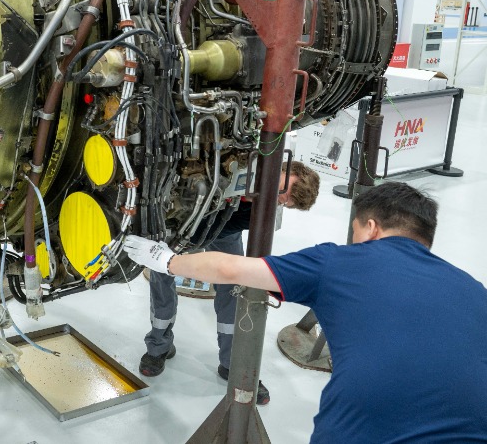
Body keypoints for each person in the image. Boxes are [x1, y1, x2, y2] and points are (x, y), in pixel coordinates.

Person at [125, 181, 487, 443]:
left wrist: (165, 260)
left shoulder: (337, 263)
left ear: (372, 228)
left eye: (356, 231)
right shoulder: (474, 289)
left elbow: (231, 269)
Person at [140, 160, 320, 406]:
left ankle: (232, 363)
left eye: (284, 202)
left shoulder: (265, 210)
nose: (277, 199)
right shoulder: (253, 158)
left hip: (223, 227)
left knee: (234, 288)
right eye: (283, 191)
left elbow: (222, 231)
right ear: (284, 168)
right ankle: (158, 346)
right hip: (183, 216)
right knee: (161, 273)